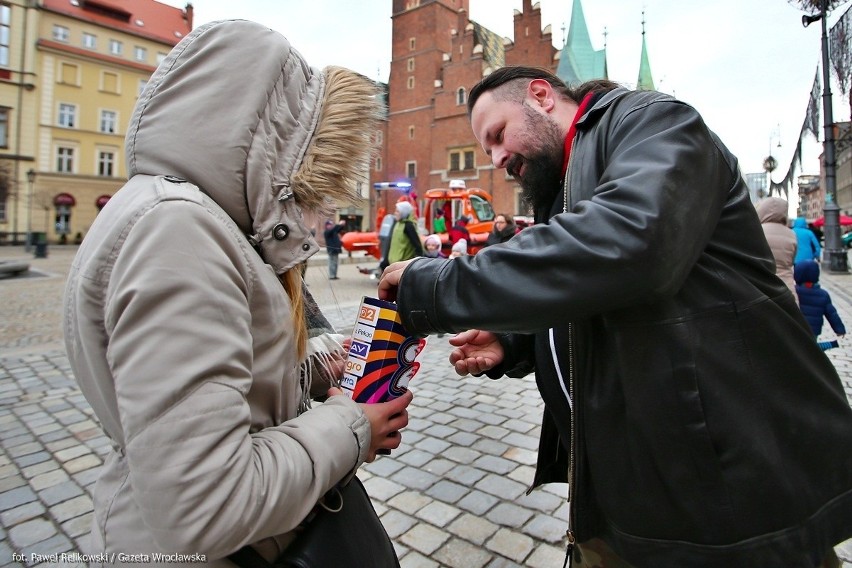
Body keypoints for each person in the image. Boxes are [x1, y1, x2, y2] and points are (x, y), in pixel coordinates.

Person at [378, 65, 852, 567]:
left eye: (497, 135)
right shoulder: (563, 178)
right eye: (486, 150)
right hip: (633, 495)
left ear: (540, 95)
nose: (496, 158)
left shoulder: (654, 122)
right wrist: (520, 337)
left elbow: (631, 247)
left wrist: (432, 283)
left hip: (726, 496)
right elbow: (596, 295)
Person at [62, 20, 412, 564]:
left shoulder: (189, 216)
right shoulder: (177, 230)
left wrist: (321, 368)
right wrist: (352, 427)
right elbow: (206, 503)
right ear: (280, 141)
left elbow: (222, 384)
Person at [755, 197, 797, 303]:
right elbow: (791, 261)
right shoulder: (791, 234)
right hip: (786, 286)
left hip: (761, 285)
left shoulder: (757, 231)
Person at [795, 259, 847, 341]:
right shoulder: (823, 294)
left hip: (795, 328)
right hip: (813, 331)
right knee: (811, 349)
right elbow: (832, 314)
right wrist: (839, 329)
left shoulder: (794, 292)